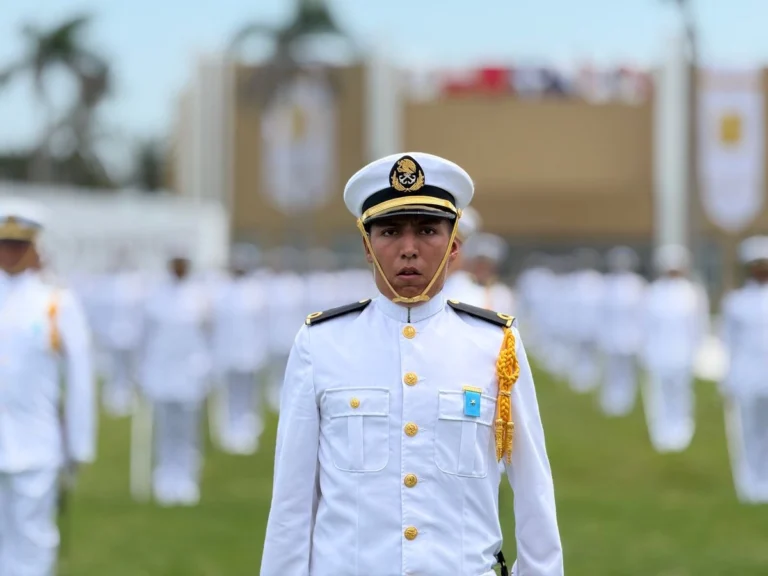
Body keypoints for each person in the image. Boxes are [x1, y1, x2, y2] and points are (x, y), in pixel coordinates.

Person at [261, 152, 563, 576]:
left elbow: (533, 488)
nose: (408, 249)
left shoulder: (495, 345)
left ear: (454, 245)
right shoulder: (322, 344)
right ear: (367, 246)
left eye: (427, 231)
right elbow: (291, 504)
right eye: (389, 231)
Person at [0, 199, 96, 575]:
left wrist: (78, 444)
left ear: (34, 247)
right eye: (4, 244)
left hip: (36, 443)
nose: (10, 253)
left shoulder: (55, 302)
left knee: (33, 540)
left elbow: (80, 378)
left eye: (18, 245)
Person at [135, 250, 211, 505]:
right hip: (161, 372)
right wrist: (142, 372)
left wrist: (206, 370)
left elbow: (208, 337)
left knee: (187, 431)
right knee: (165, 429)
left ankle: (187, 479)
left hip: (191, 372)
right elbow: (145, 338)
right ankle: (165, 479)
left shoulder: (200, 296)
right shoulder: (155, 296)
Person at [639, 244, 708, 453]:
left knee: (681, 394)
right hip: (658, 353)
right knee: (659, 395)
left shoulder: (692, 293)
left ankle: (681, 433)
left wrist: (697, 351)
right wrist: (645, 351)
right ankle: (661, 434)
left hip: (683, 354)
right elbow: (645, 326)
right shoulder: (653, 292)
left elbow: (698, 326)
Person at [720, 236, 768, 503]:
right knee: (749, 433)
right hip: (747, 376)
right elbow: (729, 343)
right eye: (757, 265)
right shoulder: (736, 302)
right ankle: (750, 486)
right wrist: (728, 378)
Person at [210, 243, 268, 455]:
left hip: (250, 352)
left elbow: (262, 324)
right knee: (229, 394)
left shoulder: (255, 290)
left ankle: (245, 430)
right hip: (226, 352)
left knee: (247, 394)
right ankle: (229, 430)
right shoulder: (220, 289)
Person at [598, 246, 646, 417]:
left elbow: (642, 314)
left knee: (627, 372)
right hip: (611, 336)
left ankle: (625, 401)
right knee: (612, 371)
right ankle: (611, 402)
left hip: (630, 337)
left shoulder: (637, 285)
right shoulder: (607, 284)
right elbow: (602, 313)